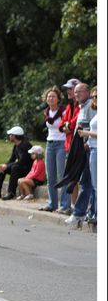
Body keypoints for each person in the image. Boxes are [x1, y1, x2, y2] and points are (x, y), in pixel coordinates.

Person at [65, 83, 96, 226]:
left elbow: (93, 127)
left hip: (90, 149)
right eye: (75, 92)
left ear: (87, 92)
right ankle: (85, 212)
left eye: (79, 92)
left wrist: (86, 141)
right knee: (84, 180)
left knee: (87, 182)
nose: (76, 94)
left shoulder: (91, 106)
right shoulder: (81, 107)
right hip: (82, 149)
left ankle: (79, 213)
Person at [38, 86, 69, 212]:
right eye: (49, 96)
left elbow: (67, 126)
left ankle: (65, 205)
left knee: (61, 175)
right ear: (46, 99)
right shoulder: (46, 112)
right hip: (49, 144)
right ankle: (52, 204)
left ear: (58, 99)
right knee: (50, 176)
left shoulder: (64, 111)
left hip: (61, 143)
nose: (51, 98)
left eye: (53, 96)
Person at [0, 126, 33, 201]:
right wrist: (4, 166)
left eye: (11, 135)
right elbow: (12, 160)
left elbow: (23, 161)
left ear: (15, 136)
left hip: (27, 169)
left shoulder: (26, 145)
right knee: (2, 169)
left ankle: (11, 193)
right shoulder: (16, 146)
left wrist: (7, 166)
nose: (9, 136)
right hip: (19, 167)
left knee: (14, 168)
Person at [58, 78, 81, 213]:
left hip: (78, 146)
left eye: (70, 89)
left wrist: (67, 126)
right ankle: (73, 207)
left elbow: (72, 124)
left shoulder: (81, 106)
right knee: (71, 178)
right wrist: (66, 126)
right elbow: (62, 125)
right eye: (67, 89)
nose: (68, 91)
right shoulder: (68, 106)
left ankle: (78, 207)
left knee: (79, 178)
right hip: (69, 145)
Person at [77, 86, 97, 225]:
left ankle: (93, 213)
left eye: (97, 97)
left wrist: (86, 134)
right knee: (94, 185)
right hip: (92, 148)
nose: (94, 99)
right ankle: (93, 213)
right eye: (94, 96)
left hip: (96, 150)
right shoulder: (96, 112)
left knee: (95, 185)